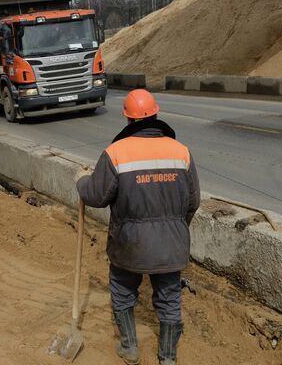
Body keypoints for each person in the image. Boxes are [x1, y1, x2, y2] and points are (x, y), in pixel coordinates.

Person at [75, 89, 200, 365]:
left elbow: (96, 196)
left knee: (122, 291)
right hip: (170, 246)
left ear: (128, 120)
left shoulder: (115, 153)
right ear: (156, 114)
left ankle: (130, 348)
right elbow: (193, 202)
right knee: (169, 299)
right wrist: (176, 229)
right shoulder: (182, 153)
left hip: (128, 244)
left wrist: (81, 181)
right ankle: (167, 358)